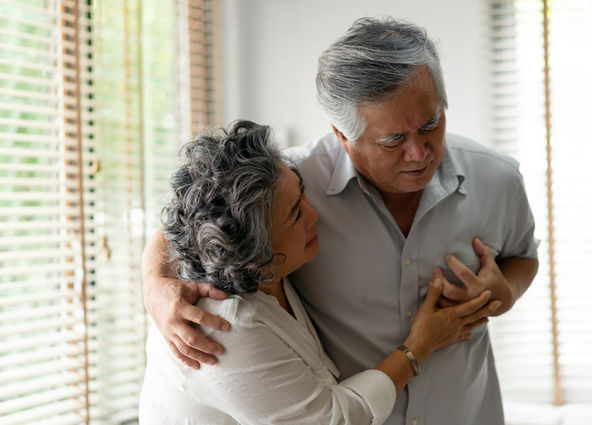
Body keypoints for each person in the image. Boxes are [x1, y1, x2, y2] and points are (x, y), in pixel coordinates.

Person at [142, 17, 539, 424]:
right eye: (393, 140)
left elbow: (524, 259)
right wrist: (154, 286)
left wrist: (505, 290)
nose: (419, 153)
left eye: (431, 124)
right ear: (341, 134)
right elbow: (192, 226)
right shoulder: (288, 188)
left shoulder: (498, 179)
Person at [138, 120, 497, 424]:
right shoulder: (225, 330)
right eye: (296, 215)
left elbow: (185, 221)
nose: (314, 215)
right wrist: (421, 344)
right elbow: (336, 418)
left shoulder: (261, 253)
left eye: (302, 194)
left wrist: (152, 280)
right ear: (257, 256)